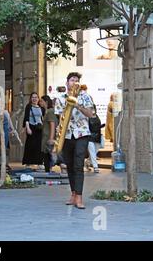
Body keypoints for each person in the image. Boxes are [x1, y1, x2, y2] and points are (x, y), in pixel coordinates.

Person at [54, 72, 94, 209]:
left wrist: (78, 106)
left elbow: (91, 114)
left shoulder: (85, 97)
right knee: (69, 165)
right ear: (67, 83)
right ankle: (73, 194)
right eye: (72, 80)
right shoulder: (60, 99)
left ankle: (79, 197)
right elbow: (60, 118)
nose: (74, 82)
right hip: (67, 135)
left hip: (82, 134)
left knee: (78, 165)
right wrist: (58, 136)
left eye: (77, 80)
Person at [22, 92, 45, 168]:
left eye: (36, 97)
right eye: (33, 97)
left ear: (38, 99)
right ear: (30, 99)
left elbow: (42, 118)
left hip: (39, 128)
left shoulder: (41, 108)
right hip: (31, 127)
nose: (34, 99)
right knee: (30, 145)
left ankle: (39, 162)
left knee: (39, 146)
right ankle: (28, 162)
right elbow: (26, 118)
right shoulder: (28, 106)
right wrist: (27, 128)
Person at [39, 95, 57, 173]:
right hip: (45, 136)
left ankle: (48, 171)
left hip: (48, 137)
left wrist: (51, 138)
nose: (40, 103)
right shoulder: (46, 112)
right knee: (46, 155)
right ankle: (48, 170)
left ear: (46, 102)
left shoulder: (50, 111)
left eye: (41, 101)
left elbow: (52, 124)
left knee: (48, 155)